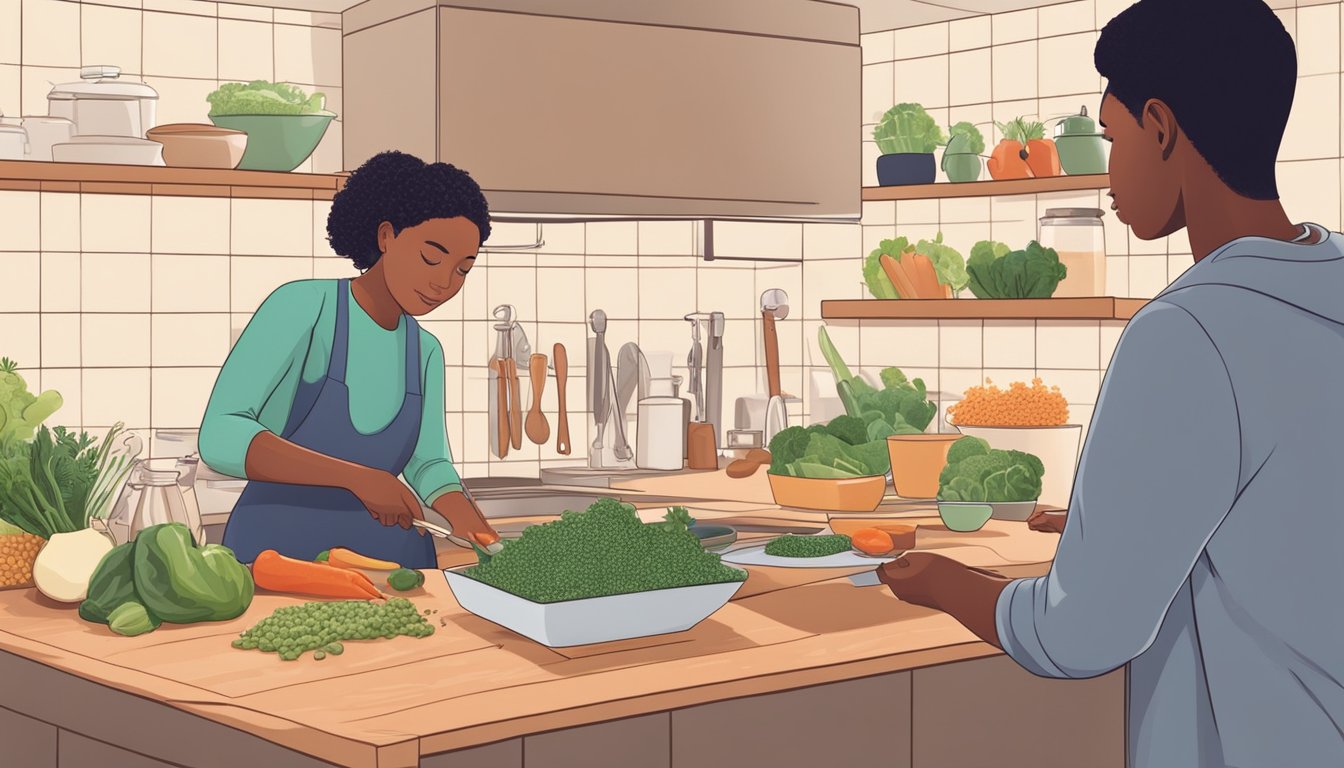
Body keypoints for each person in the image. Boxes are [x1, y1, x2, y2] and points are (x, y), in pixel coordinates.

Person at [877, 1, 1344, 765]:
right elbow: (1296, 520)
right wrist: (1130, 529)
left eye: (1112, 137)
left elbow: (1081, 632)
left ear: (1161, 128)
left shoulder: (1188, 332)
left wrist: (941, 581)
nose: (1107, 175)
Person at [199, 151, 501, 569]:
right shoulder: (304, 307)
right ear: (386, 237)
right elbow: (221, 435)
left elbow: (428, 462)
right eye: (431, 258)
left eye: (462, 270)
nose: (443, 282)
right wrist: (357, 478)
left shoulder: (425, 351)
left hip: (395, 568)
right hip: (279, 560)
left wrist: (475, 526)